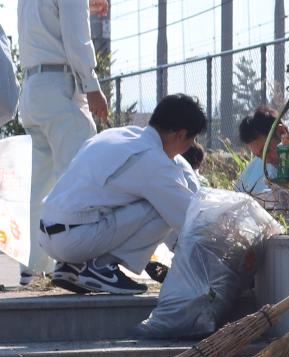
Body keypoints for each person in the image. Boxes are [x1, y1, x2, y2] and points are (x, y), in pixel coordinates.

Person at [39, 93, 207, 295]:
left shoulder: (116, 136)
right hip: (75, 239)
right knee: (161, 206)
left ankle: (74, 266)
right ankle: (101, 266)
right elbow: (189, 219)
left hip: (48, 234)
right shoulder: (153, 160)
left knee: (149, 199)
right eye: (192, 139)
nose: (190, 146)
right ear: (180, 135)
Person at [15, 0, 109, 276]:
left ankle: (33, 265)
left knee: (39, 185)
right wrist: (93, 86)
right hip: (61, 90)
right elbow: (76, 44)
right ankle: (75, 261)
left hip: (33, 93)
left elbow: (47, 29)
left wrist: (81, 8)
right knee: (83, 174)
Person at [234, 106, 289, 195]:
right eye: (259, 156)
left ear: (281, 132)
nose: (267, 161)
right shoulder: (252, 173)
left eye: (267, 151)